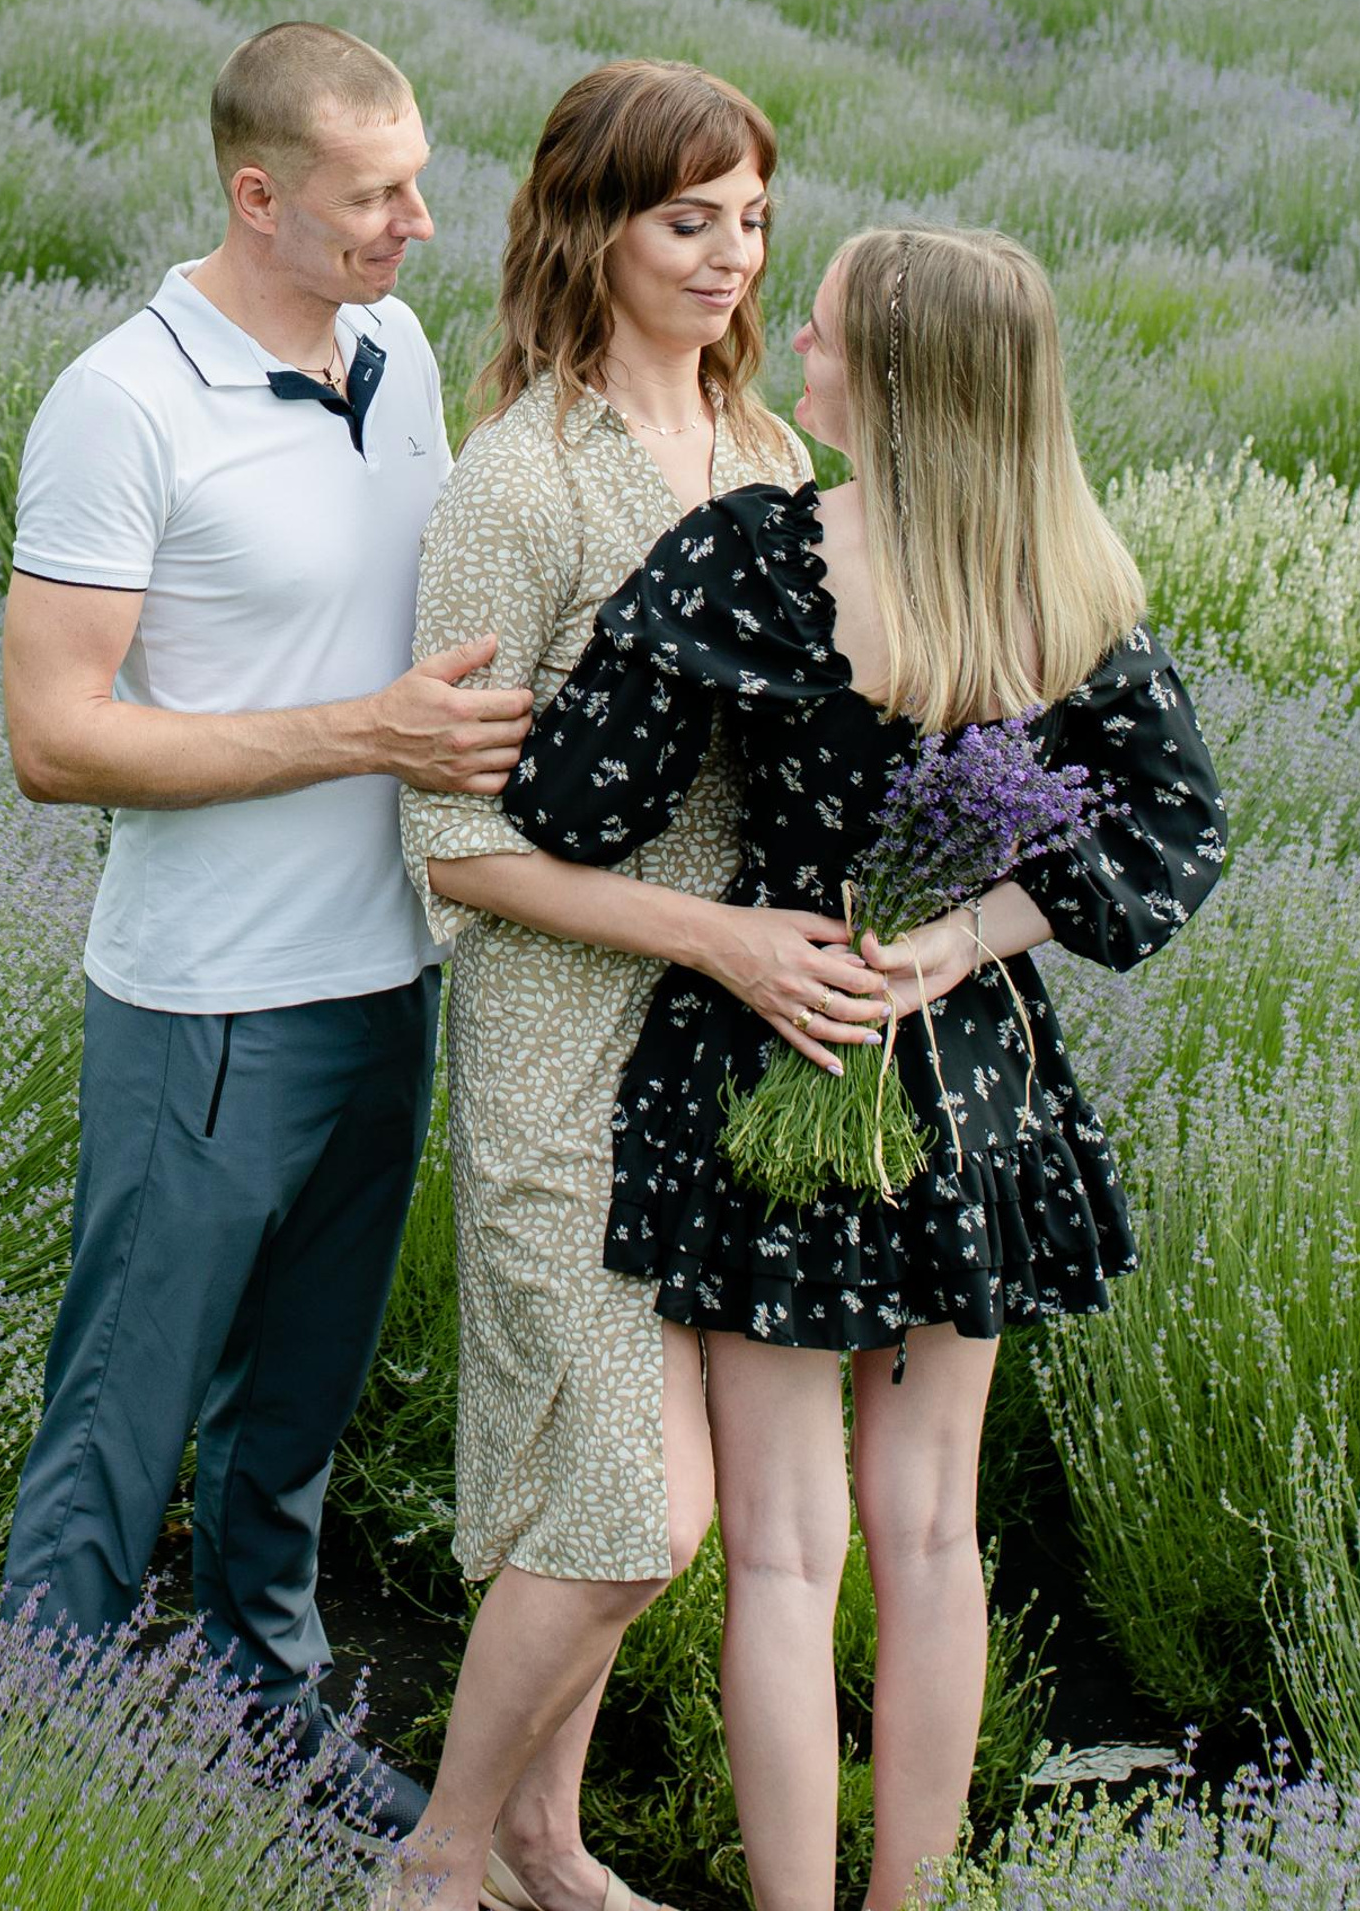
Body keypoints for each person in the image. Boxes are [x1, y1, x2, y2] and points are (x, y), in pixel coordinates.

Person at [501, 226, 1228, 1910]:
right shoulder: (1068, 585)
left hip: (779, 1045)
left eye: (821, 329)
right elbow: (1174, 831)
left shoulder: (754, 556)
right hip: (967, 1087)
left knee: (781, 1549)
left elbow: (575, 811)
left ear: (892, 378)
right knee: (931, 1531)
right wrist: (964, 939)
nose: (793, 344)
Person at [0, 21, 534, 1835]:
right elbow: (57, 741)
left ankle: (263, 1714)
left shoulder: (398, 350)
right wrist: (369, 734)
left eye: (417, 182)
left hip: (389, 976)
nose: (419, 225)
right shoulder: (122, 402)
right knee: (123, 1415)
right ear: (258, 196)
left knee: (294, 1411)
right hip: (209, 1006)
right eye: (376, 197)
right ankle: (29, 1764)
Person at [394, 63, 891, 1911]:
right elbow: (454, 850)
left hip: (736, 1041)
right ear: (593, 227)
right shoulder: (518, 481)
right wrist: (719, 937)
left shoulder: (772, 459)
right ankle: (441, 1860)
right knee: (629, 1514)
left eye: (751, 218)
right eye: (687, 219)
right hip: (566, 1027)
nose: (730, 254)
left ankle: (545, 1836)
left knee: (621, 1491)